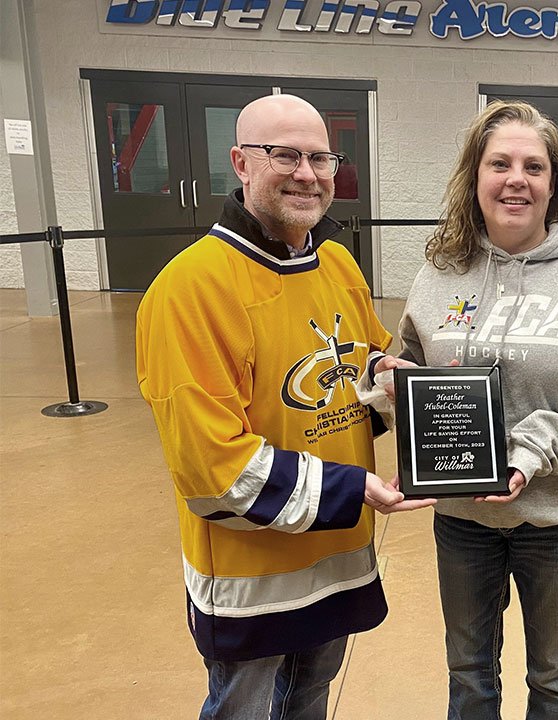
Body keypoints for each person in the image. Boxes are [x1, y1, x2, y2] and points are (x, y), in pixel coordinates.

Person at [135, 94, 434, 720]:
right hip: (253, 578)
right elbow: (212, 470)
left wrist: (394, 381)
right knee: (243, 709)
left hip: (335, 559)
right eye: (285, 155)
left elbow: (354, 387)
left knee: (308, 702)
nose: (307, 173)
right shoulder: (189, 290)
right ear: (241, 164)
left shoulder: (336, 261)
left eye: (320, 157)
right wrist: (354, 490)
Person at [392, 101, 558, 720]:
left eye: (534, 166)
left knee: (555, 678)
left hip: (556, 520)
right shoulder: (441, 270)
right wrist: (385, 379)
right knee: (469, 674)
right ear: (474, 177)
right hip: (460, 516)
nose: (517, 178)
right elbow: (406, 362)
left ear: (555, 183)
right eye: (500, 163)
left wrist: (537, 447)